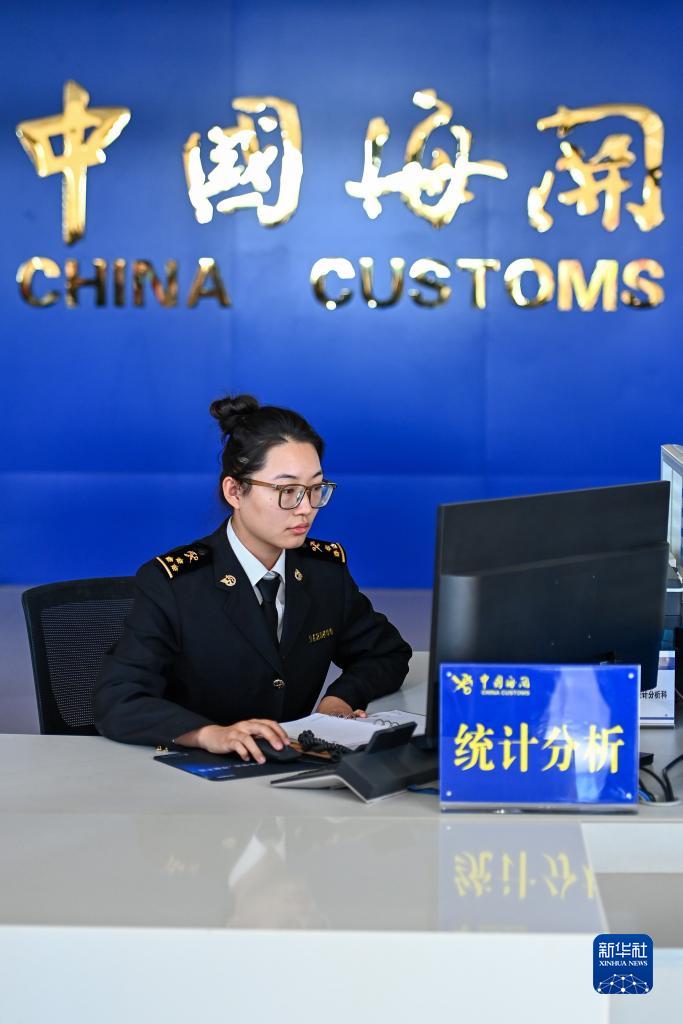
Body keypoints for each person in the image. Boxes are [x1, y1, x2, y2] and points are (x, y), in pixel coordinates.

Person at [94, 395, 411, 763]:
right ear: (234, 491)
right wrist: (209, 734)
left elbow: (386, 653)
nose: (306, 508)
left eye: (315, 488)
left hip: (291, 769)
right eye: (287, 491)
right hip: (198, 775)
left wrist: (339, 699)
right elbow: (117, 698)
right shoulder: (175, 584)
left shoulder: (323, 572)